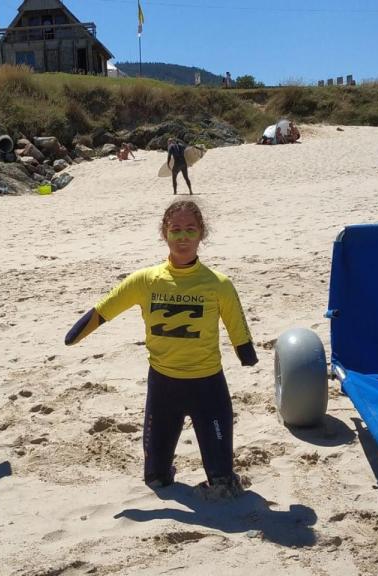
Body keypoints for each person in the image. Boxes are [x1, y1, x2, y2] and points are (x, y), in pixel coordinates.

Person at [64, 199, 258, 496]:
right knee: (155, 478)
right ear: (164, 234)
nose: (182, 238)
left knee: (222, 481)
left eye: (190, 230)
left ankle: (220, 476)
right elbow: (105, 310)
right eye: (176, 230)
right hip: (163, 387)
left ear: (201, 234)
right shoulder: (146, 281)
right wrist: (77, 333)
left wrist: (246, 352)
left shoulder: (218, 284)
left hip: (208, 386)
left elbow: (237, 326)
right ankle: (163, 469)